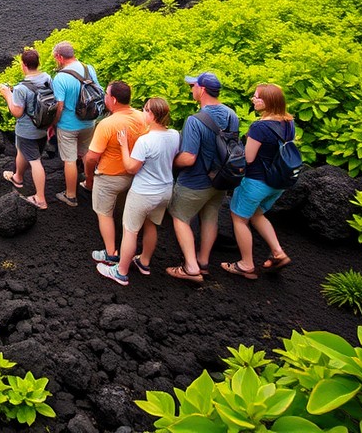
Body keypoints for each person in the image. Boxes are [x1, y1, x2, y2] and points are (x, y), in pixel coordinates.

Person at [97, 97, 179, 285]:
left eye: (144, 109)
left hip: (144, 192)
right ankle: (144, 262)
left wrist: (124, 145)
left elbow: (131, 168)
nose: (142, 112)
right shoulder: (175, 134)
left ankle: (121, 271)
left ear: (151, 114)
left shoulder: (145, 141)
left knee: (130, 231)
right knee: (151, 226)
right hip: (165, 190)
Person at [166, 72, 239, 284]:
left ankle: (190, 267)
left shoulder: (195, 121)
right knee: (210, 217)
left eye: (193, 86)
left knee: (179, 217)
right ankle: (203, 262)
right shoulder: (231, 115)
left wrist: (171, 161)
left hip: (195, 181)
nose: (191, 90)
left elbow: (188, 158)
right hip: (221, 179)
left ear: (202, 90)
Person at [221, 83, 293, 279]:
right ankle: (278, 252)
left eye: (257, 97)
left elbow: (249, 157)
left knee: (239, 219)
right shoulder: (288, 123)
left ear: (267, 101)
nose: (253, 99)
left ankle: (246, 264)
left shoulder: (260, 127)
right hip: (277, 183)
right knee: (258, 214)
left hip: (255, 182)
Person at [82, 80, 147, 264]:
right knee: (124, 211)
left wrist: (89, 177)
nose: (104, 98)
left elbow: (92, 157)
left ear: (114, 99)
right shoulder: (142, 117)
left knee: (104, 213)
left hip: (109, 178)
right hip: (134, 175)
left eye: (106, 95)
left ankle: (111, 253)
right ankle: (128, 241)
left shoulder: (107, 124)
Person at [0, 48, 53, 209]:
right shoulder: (47, 78)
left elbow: (17, 112)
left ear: (23, 65)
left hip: (27, 130)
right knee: (22, 151)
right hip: (43, 126)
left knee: (35, 162)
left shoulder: (21, 88)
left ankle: (40, 199)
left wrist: (7, 94)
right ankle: (18, 178)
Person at [49, 41, 98, 207]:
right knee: (86, 154)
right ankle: (90, 184)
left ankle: (70, 195)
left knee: (69, 160)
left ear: (60, 57)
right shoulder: (88, 69)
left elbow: (59, 106)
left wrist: (53, 124)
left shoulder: (60, 78)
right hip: (89, 121)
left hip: (69, 125)